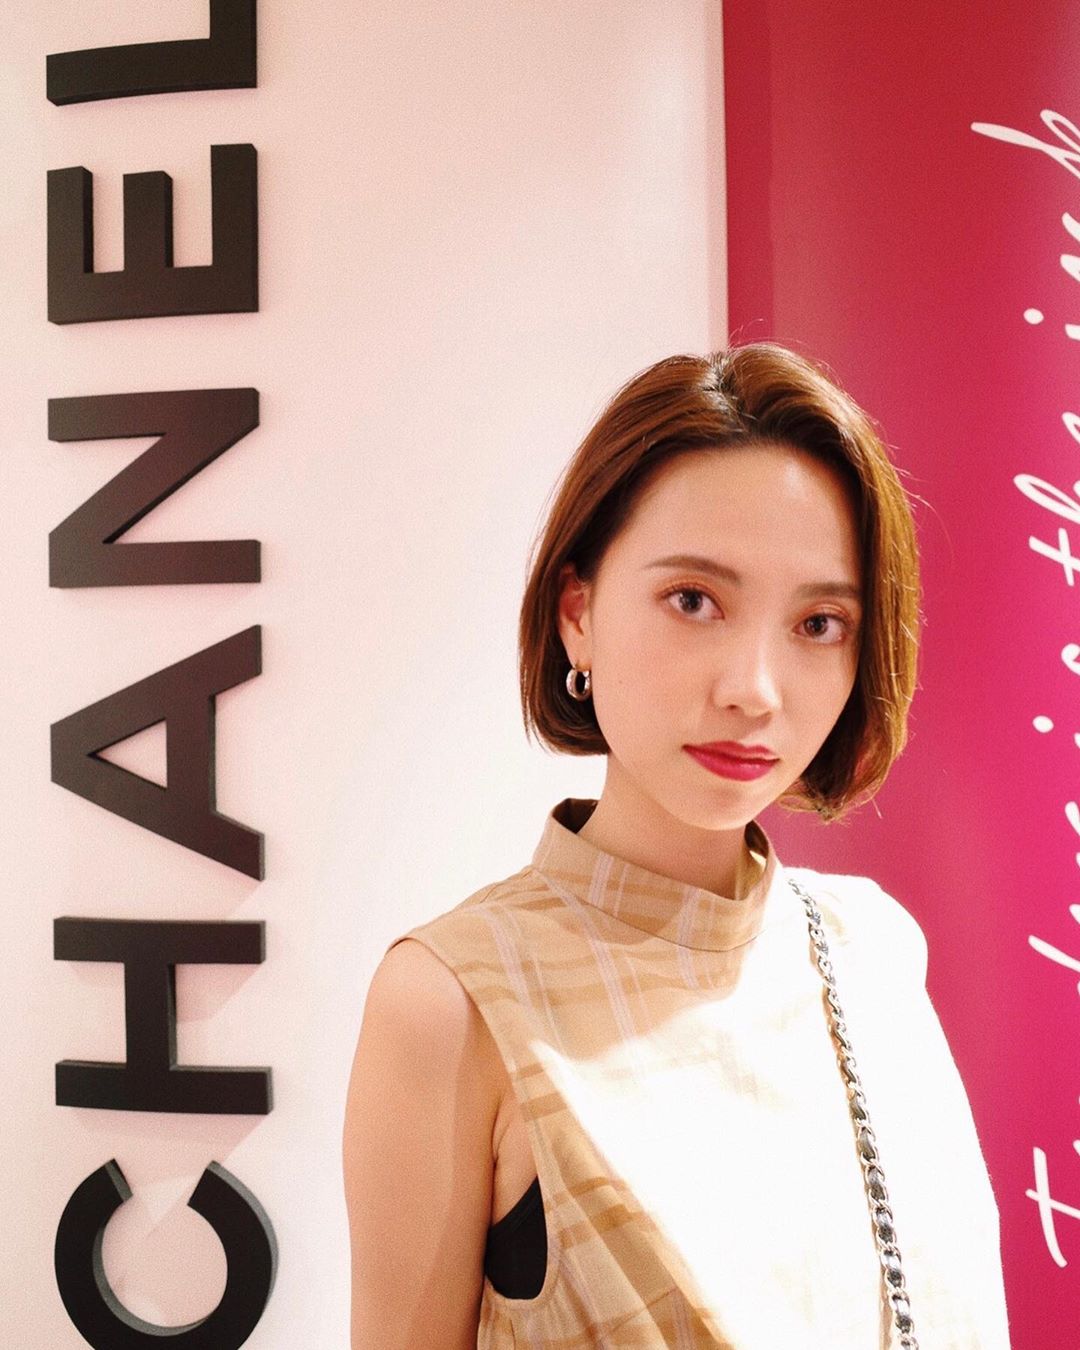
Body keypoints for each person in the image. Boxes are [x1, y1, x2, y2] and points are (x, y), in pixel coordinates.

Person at [341, 343, 1011, 1349]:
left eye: (819, 622)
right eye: (694, 600)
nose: (754, 689)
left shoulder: (873, 950)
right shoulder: (457, 1001)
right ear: (578, 614)